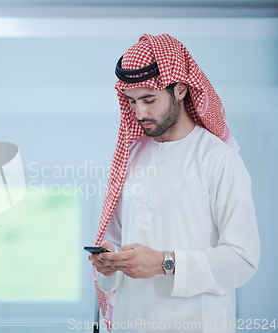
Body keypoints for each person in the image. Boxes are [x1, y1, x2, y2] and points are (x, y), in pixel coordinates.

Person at [88, 33, 260, 332]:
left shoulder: (219, 159)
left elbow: (242, 259)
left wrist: (163, 263)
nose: (139, 113)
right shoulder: (132, 157)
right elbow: (115, 237)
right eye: (131, 101)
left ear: (180, 90)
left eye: (149, 99)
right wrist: (109, 259)